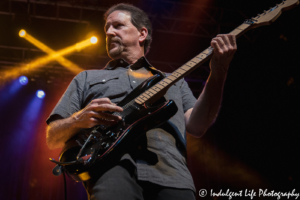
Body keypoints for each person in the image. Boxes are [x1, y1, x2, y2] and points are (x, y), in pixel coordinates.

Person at [46, 3, 237, 200]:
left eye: (118, 25)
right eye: (107, 29)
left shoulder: (173, 81)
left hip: (173, 176)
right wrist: (78, 119)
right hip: (111, 172)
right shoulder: (86, 78)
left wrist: (219, 71)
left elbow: (197, 126)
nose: (109, 32)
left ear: (142, 34)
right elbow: (53, 136)